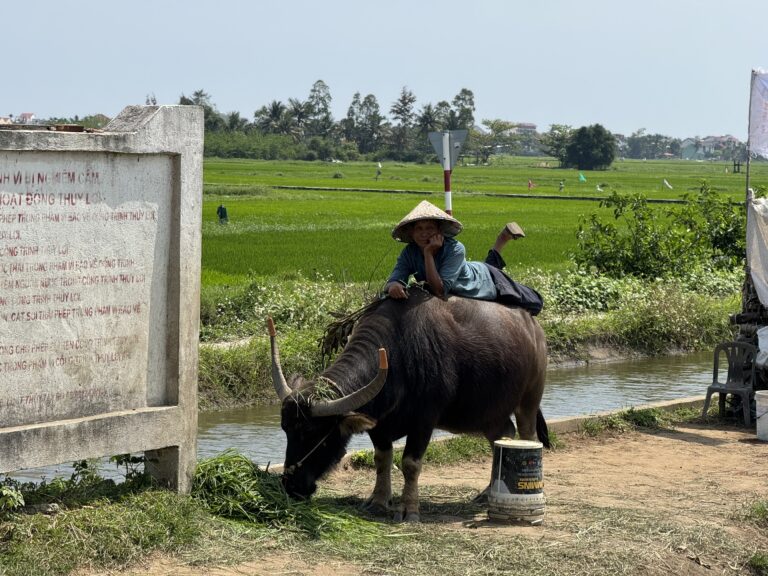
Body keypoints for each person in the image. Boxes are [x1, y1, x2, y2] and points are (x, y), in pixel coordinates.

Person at [384, 200, 542, 315]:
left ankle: (502, 239)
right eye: (419, 228)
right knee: (487, 265)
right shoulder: (409, 252)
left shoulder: (455, 248)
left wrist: (428, 254)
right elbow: (395, 277)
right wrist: (394, 285)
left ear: (439, 230)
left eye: (429, 228)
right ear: (412, 233)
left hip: (484, 278)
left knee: (533, 303)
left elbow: (439, 290)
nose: (424, 233)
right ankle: (501, 240)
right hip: (465, 271)